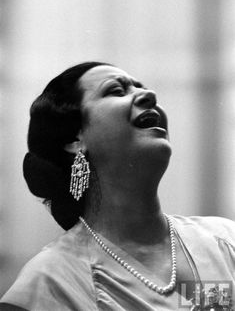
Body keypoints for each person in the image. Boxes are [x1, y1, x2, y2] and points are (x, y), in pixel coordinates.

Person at [0, 62, 234, 311]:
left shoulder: (224, 240)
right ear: (75, 139)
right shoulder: (50, 283)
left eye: (141, 87)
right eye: (116, 91)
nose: (149, 95)